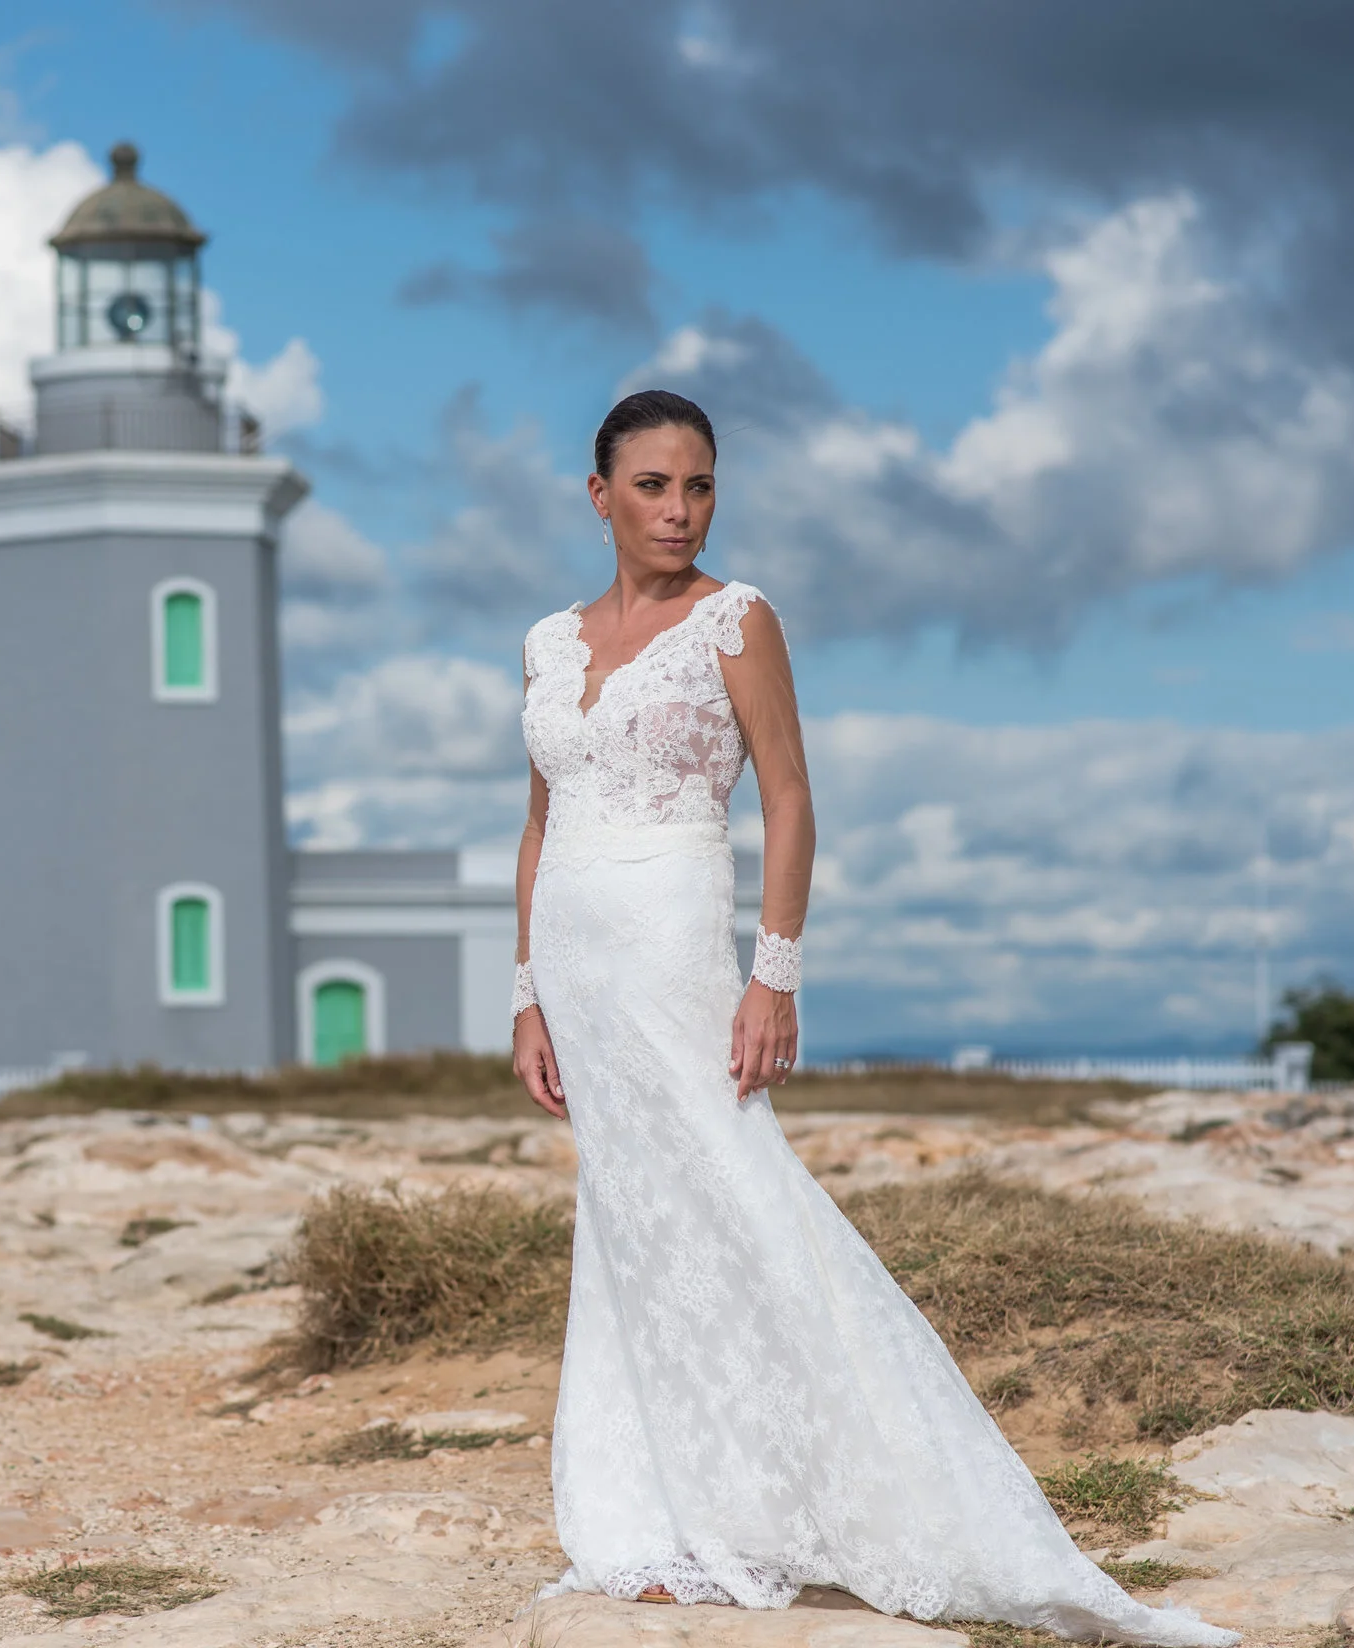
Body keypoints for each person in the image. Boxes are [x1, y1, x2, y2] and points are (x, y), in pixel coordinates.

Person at [508, 390, 1236, 1645]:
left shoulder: (736, 621)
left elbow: (788, 797)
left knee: (742, 1198)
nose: (678, 511)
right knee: (632, 1217)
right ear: (598, 496)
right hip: (576, 964)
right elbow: (538, 821)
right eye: (651, 487)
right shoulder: (547, 642)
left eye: (699, 487)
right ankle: (666, 1498)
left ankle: (847, 1486)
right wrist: (525, 993)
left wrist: (774, 972)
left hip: (675, 942)